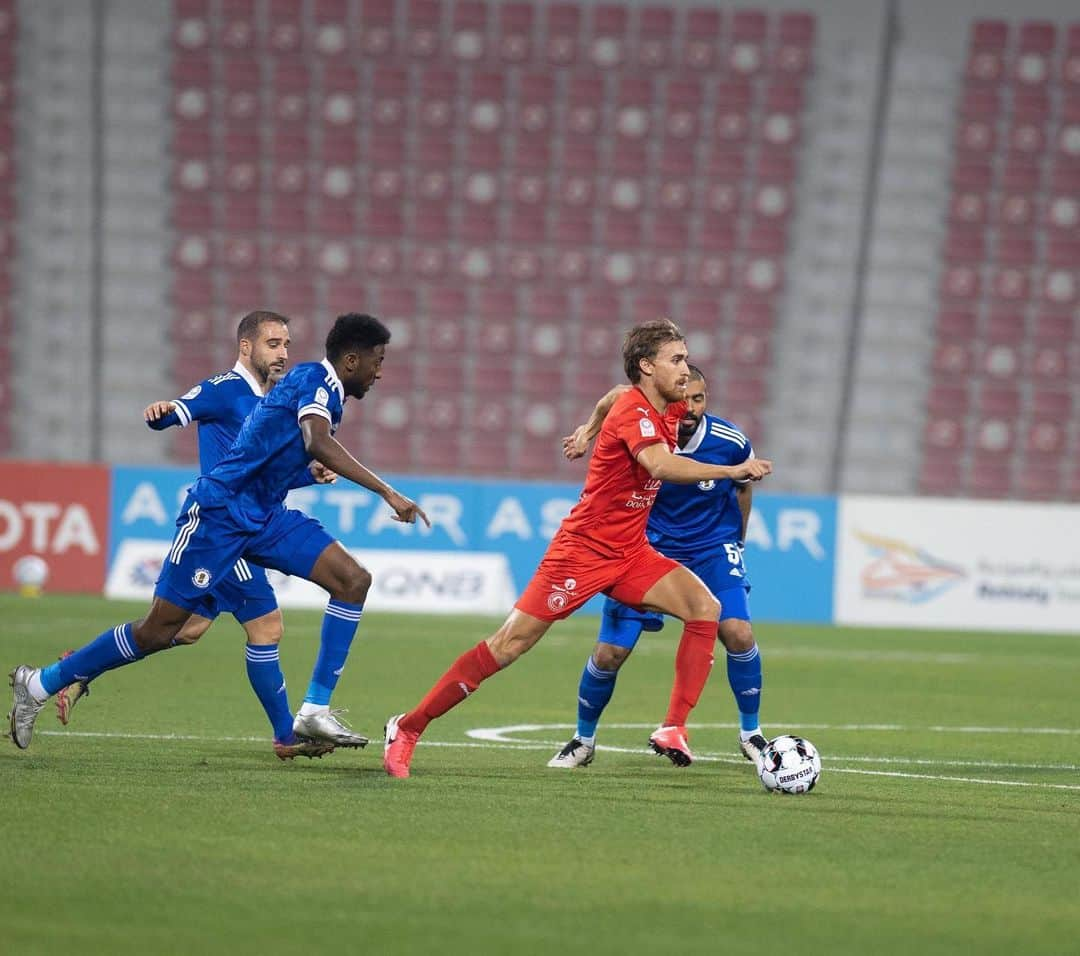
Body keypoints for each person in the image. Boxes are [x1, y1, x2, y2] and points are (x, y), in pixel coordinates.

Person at [9, 313, 430, 757]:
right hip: (219, 516)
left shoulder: (311, 390)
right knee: (160, 630)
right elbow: (315, 439)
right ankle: (40, 683)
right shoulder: (312, 382)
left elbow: (283, 454)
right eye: (377, 361)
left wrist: (308, 474)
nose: (380, 371)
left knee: (352, 581)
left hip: (265, 517)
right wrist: (386, 491)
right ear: (351, 360)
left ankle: (310, 712)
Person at [382, 319, 772, 778]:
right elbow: (658, 464)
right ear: (647, 367)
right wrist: (730, 472)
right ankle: (408, 727)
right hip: (582, 551)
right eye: (677, 360)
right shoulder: (635, 411)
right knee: (510, 644)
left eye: (686, 359)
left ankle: (673, 728)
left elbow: (608, 395)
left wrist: (588, 431)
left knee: (703, 607)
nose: (686, 370)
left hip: (631, 552)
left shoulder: (662, 404)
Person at [53, 311, 350, 761]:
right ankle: (286, 736)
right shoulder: (224, 390)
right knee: (265, 627)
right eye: (273, 343)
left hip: (248, 524)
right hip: (225, 529)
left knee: (186, 630)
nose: (283, 353)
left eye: (287, 344)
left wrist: (310, 473)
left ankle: (81, 668)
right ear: (246, 347)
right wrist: (163, 412)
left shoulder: (277, 405)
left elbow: (267, 478)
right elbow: (178, 410)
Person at [547, 364, 768, 771]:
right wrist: (588, 430)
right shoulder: (645, 428)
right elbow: (616, 394)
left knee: (738, 631)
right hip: (645, 548)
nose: (691, 408)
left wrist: (737, 540)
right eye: (685, 398)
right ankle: (583, 739)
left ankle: (751, 733)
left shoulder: (731, 442)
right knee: (611, 652)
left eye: (699, 399)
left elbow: (743, 488)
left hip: (710, 548)